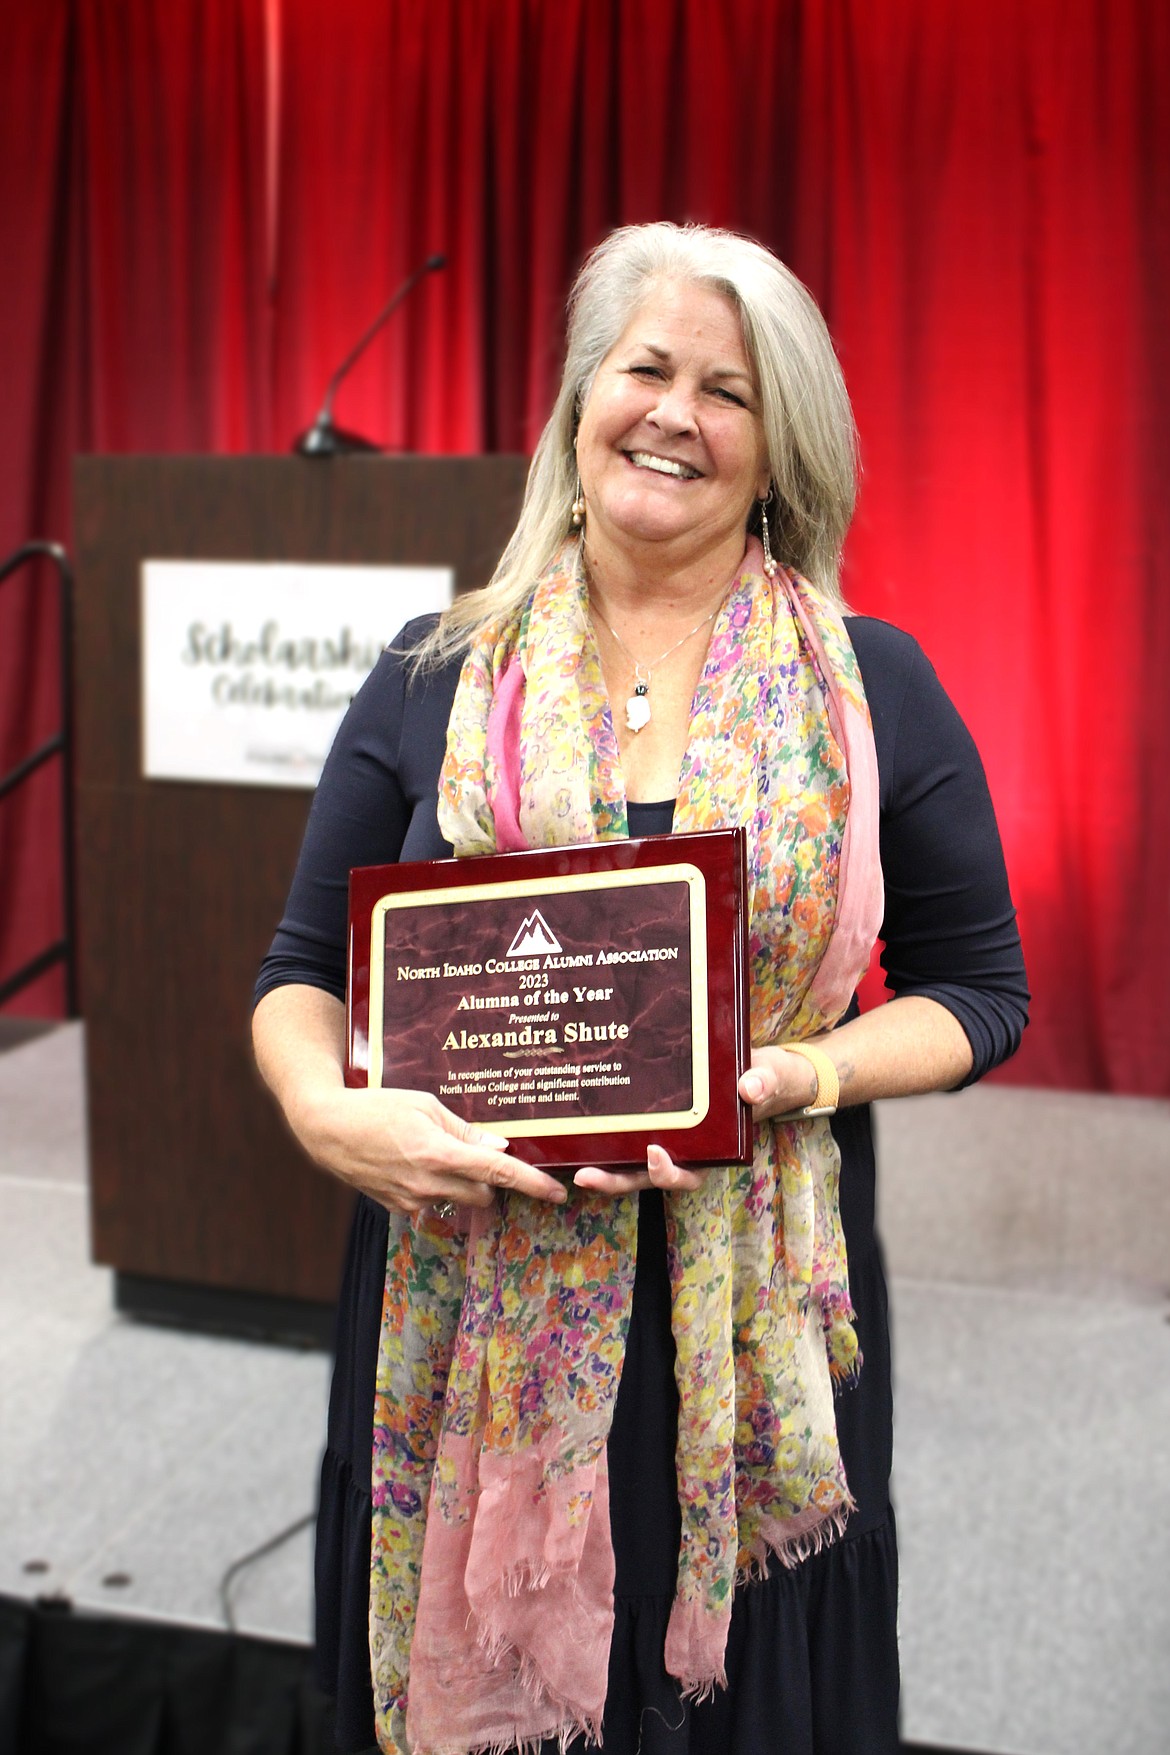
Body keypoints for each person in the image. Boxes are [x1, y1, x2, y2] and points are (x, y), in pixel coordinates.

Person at [253, 221, 1028, 1755]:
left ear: (777, 445)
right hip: (463, 1295)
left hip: (735, 1317)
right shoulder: (434, 672)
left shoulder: (875, 688)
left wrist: (800, 1076)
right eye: (647, 370)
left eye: (726, 391)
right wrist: (321, 1112)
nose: (676, 413)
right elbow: (295, 978)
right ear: (578, 403)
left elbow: (978, 993)